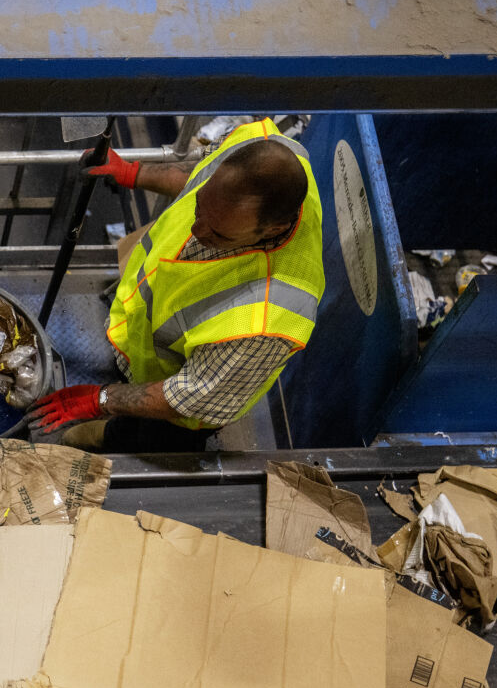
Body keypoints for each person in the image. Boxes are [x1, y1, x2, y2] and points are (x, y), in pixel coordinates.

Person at [25, 118, 324, 450]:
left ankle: (107, 438)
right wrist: (133, 173)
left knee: (138, 440)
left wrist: (100, 399)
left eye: (219, 233)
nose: (197, 231)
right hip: (141, 337)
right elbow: (198, 176)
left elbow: (183, 398)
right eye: (199, 211)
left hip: (178, 408)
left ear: (270, 230)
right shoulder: (255, 141)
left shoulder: (264, 322)